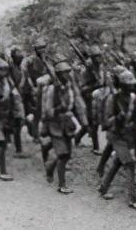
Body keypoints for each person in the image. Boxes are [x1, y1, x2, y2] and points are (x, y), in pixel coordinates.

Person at [98, 70, 136, 210]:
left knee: (118, 162)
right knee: (130, 164)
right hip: (115, 136)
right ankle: (132, 199)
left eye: (132, 84)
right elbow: (106, 121)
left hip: (126, 136)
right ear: (122, 85)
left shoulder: (133, 98)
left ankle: (103, 188)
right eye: (128, 84)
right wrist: (117, 118)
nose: (131, 87)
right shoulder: (112, 99)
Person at [42, 61, 87, 194]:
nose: (67, 74)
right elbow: (48, 110)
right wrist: (58, 109)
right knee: (63, 154)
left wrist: (82, 120)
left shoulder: (69, 88)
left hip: (67, 123)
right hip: (55, 124)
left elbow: (73, 105)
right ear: (58, 74)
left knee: (67, 154)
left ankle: (50, 167)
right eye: (64, 72)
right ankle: (62, 185)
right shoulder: (51, 90)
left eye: (68, 71)